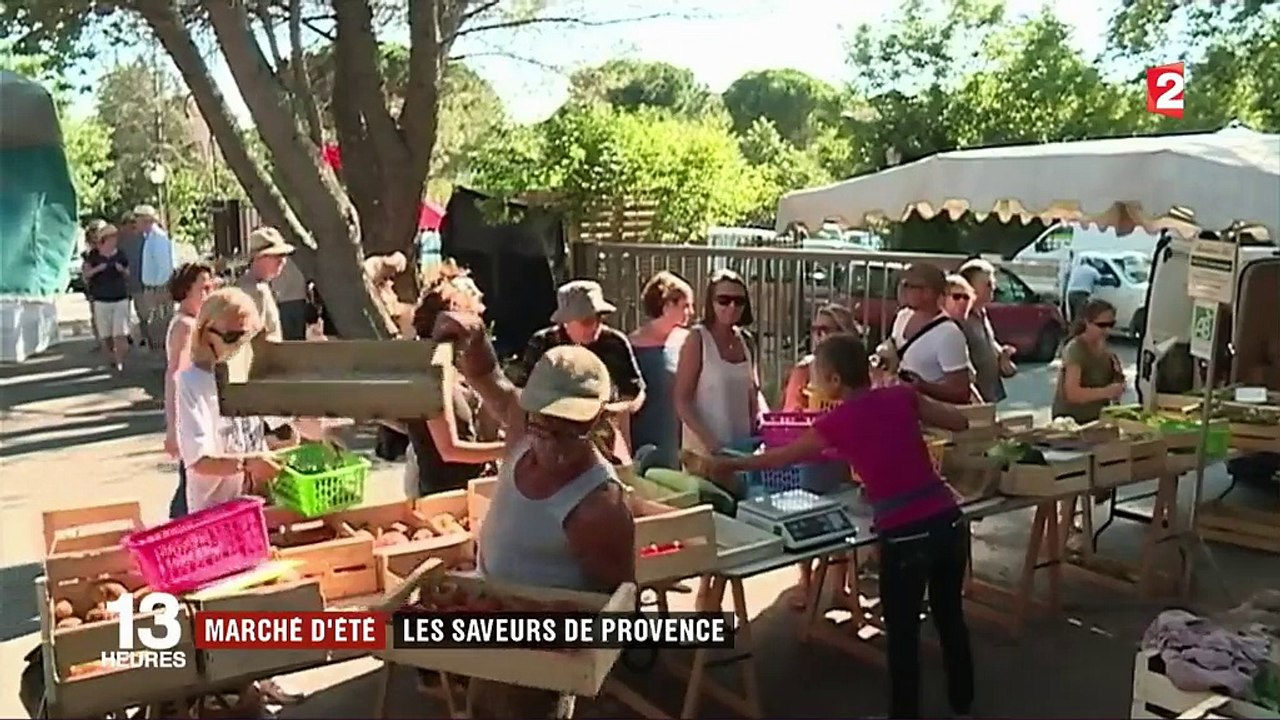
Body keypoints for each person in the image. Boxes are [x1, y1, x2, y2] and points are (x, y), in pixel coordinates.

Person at [706, 332, 974, 720]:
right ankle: (962, 702)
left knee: (902, 636)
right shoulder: (901, 396)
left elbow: (780, 458)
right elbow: (960, 422)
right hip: (948, 520)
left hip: (906, 533)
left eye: (818, 375)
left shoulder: (839, 421)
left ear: (834, 381)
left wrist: (731, 464)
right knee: (950, 617)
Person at [430, 310, 636, 719]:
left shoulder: (599, 505)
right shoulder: (522, 427)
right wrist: (473, 338)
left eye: (571, 431)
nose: (555, 445)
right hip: (492, 628)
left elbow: (616, 603)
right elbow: (490, 380)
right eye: (546, 426)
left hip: (538, 659)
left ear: (598, 419)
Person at [396, 260, 504, 497]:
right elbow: (449, 450)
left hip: (469, 490)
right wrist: (508, 449)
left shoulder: (453, 363)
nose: (481, 312)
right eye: (474, 310)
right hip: (444, 498)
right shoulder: (430, 370)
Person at [520, 280, 645, 458]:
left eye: (599, 318)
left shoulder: (615, 343)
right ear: (565, 321)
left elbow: (635, 393)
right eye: (587, 320)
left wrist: (612, 411)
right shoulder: (543, 344)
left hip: (604, 438)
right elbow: (523, 394)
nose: (595, 326)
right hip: (550, 436)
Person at [675, 269, 764, 513]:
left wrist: (764, 423)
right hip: (705, 456)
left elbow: (754, 390)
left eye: (739, 301)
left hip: (742, 451)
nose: (731, 306)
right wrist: (711, 443)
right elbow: (682, 400)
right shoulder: (697, 340)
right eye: (723, 300)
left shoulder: (747, 341)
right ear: (710, 303)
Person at [164, 262, 218, 519]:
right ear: (186, 290)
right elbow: (175, 376)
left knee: (190, 480)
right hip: (189, 411)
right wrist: (172, 426)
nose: (208, 293)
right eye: (203, 288)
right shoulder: (185, 326)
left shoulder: (196, 322)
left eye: (211, 287)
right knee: (191, 479)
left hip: (198, 407)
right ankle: (177, 530)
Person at [628, 271, 695, 470]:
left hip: (679, 433)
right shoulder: (631, 346)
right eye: (685, 305)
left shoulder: (689, 341)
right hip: (645, 432)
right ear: (667, 305)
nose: (691, 312)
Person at [889, 263, 976, 405]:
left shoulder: (949, 334)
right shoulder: (903, 316)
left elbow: (961, 392)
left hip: (932, 414)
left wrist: (922, 386)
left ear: (928, 292)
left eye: (909, 285)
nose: (902, 290)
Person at [1051, 298, 1126, 424]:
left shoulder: (1105, 350)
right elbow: (1072, 393)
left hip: (1097, 419)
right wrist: (1107, 391)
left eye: (1111, 324)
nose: (1107, 330)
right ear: (1087, 322)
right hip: (1072, 421)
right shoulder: (1076, 349)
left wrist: (1118, 384)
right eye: (1101, 325)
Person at [958, 259, 1017, 404]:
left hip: (989, 396)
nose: (993, 288)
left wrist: (1003, 355)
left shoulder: (982, 313)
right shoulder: (960, 318)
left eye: (993, 284)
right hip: (971, 400)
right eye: (987, 284)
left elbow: (989, 346)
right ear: (969, 286)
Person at [782, 302, 859, 410]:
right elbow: (791, 414)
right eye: (815, 330)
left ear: (844, 334)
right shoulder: (804, 370)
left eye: (825, 330)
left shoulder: (859, 369)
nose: (818, 336)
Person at [82, 224, 131, 372]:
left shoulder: (121, 254)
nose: (114, 240)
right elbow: (86, 274)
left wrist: (122, 270)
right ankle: (111, 357)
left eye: (115, 237)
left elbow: (128, 272)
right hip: (101, 299)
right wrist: (98, 269)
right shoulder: (94, 256)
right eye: (111, 237)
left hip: (120, 297)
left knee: (120, 333)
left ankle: (120, 361)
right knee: (106, 335)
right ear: (104, 239)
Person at [237, 226, 294, 342]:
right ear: (259, 257)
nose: (282, 261)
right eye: (276, 255)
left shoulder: (261, 286)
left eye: (284, 256)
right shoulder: (252, 291)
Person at [135, 205, 177, 351]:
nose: (135, 223)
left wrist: (160, 289)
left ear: (145, 220)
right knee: (156, 323)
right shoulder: (149, 238)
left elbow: (164, 266)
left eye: (137, 219)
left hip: (159, 288)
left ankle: (165, 355)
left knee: (162, 322)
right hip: (153, 288)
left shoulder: (158, 238)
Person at [116, 213, 147, 348]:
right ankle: (127, 336)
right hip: (123, 282)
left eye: (133, 223)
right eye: (128, 223)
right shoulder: (118, 240)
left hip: (139, 280)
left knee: (143, 312)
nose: (131, 226)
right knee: (123, 312)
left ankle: (145, 336)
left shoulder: (143, 238)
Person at [272, 260, 309, 341]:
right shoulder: (299, 261)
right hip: (299, 299)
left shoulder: (277, 263)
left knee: (288, 335)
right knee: (300, 334)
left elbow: (275, 284)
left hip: (284, 301)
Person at [1065, 258, 1101, 322]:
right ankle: (1078, 330)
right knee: (1080, 315)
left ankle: (1072, 330)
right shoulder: (1092, 270)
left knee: (1073, 316)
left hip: (1071, 293)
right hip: (1081, 294)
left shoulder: (1076, 269)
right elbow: (1099, 279)